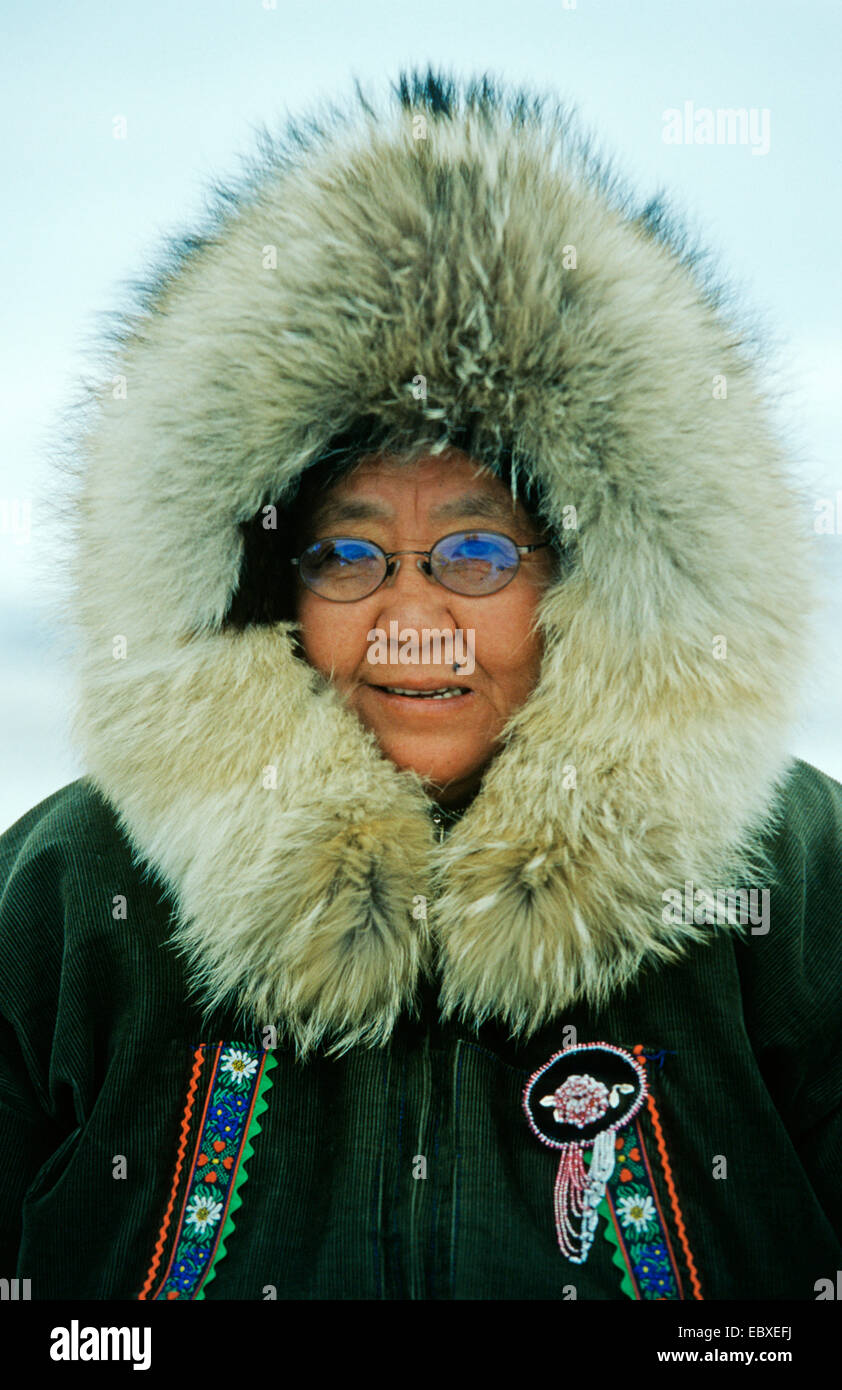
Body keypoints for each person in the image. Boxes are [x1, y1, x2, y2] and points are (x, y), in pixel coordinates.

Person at [0, 67, 840, 1303]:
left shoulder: (791, 873)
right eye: (345, 552)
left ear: (590, 580)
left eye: (475, 550)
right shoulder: (75, 889)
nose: (408, 617)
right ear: (263, 587)